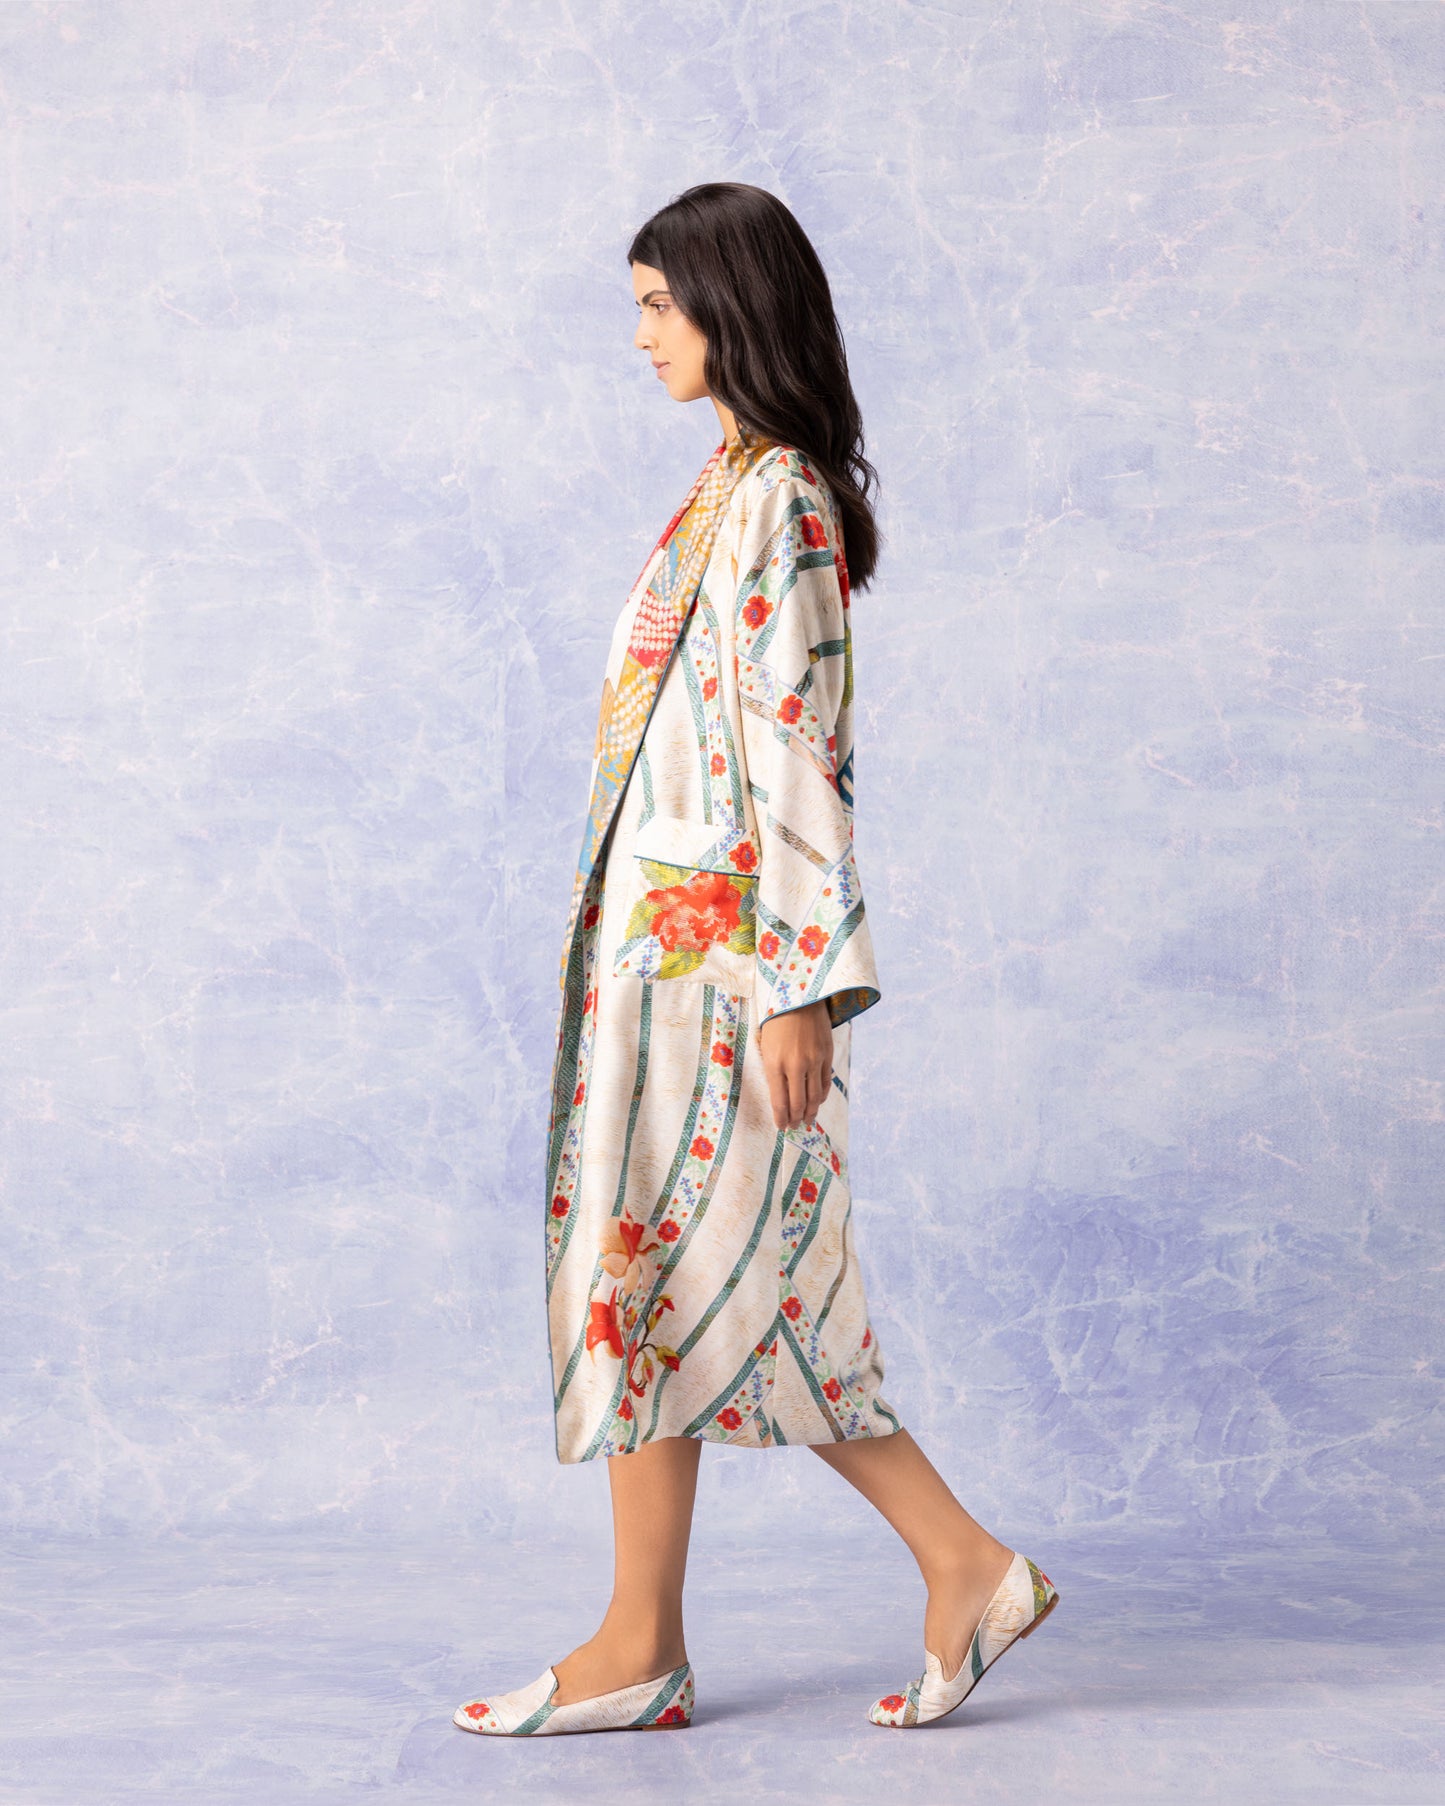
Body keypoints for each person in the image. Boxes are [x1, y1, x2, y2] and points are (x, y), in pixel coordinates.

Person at [455, 183, 1058, 1739]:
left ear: (733, 306)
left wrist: (801, 984)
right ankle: (649, 1634)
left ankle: (952, 1562)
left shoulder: (778, 498)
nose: (640, 335)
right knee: (652, 1272)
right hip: (657, 967)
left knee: (748, 1278)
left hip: (722, 976)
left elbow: (796, 753)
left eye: (659, 305)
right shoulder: (724, 487)